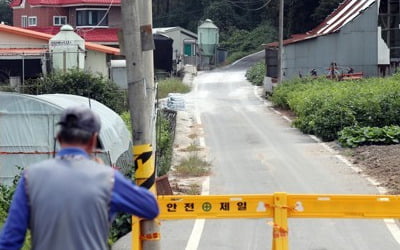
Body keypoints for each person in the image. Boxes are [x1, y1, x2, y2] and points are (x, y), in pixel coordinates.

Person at [0, 106, 159, 250]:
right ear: (93, 140)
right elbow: (150, 207)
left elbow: (10, 240)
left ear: (59, 138)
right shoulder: (107, 179)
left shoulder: (30, 178)